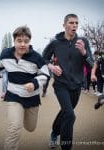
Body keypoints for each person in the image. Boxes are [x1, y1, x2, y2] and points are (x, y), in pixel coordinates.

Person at [0, 25, 49, 150]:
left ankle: (20, 117)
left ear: (29, 42)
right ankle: (16, 120)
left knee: (30, 127)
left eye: (26, 41)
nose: (22, 44)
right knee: (14, 128)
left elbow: (45, 74)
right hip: (13, 95)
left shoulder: (36, 57)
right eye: (19, 41)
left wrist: (34, 83)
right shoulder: (5, 55)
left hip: (32, 98)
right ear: (14, 41)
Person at [42, 14, 93, 150]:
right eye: (71, 23)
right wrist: (51, 66)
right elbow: (43, 59)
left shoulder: (83, 42)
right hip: (61, 84)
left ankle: (54, 133)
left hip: (76, 86)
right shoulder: (55, 43)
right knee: (70, 115)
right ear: (64, 25)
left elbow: (91, 64)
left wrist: (84, 53)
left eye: (76, 23)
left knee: (66, 113)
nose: (74, 25)